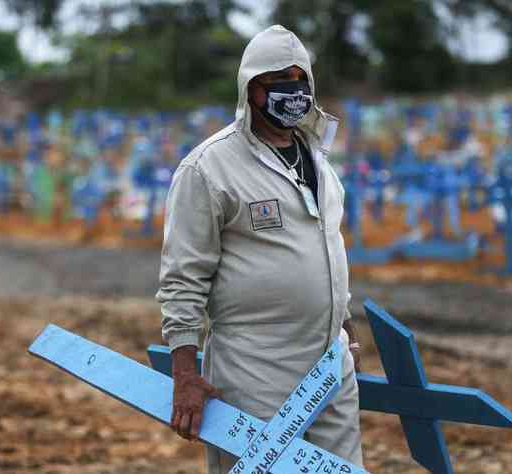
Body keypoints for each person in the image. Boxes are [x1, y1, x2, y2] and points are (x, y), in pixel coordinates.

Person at [156, 25, 363, 472]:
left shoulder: (319, 159)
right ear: (250, 89)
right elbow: (182, 279)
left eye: (298, 79)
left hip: (331, 366)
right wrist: (186, 375)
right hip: (255, 367)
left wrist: (345, 330)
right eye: (276, 82)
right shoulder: (209, 168)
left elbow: (327, 250)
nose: (291, 91)